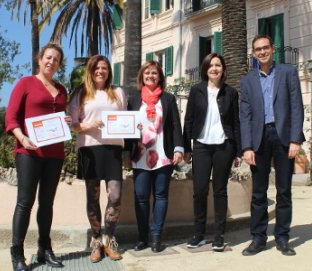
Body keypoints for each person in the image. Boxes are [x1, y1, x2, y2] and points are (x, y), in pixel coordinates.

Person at [239, 35, 305, 256]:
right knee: (258, 193)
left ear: (272, 49)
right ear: (253, 53)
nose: (262, 52)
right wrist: (246, 146)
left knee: (284, 191)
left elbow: (297, 107)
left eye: (265, 48)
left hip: (283, 137)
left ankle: (283, 238)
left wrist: (295, 140)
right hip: (258, 140)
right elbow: (245, 116)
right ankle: (258, 238)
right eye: (257, 49)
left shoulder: (288, 73)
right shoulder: (247, 80)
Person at [5, 42, 66, 271]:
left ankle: (44, 249)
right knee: (25, 203)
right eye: (48, 58)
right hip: (28, 152)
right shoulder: (26, 83)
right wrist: (22, 138)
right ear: (40, 60)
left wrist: (65, 121)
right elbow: (11, 117)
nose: (51, 62)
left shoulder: (61, 90)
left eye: (56, 60)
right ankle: (17, 253)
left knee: (47, 203)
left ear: (59, 65)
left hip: (55, 154)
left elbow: (59, 119)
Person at [68, 55, 126, 262]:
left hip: (113, 150)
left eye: (105, 68)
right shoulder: (80, 93)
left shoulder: (118, 92)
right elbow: (73, 125)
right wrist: (90, 126)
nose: (101, 71)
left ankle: (109, 240)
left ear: (109, 71)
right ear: (91, 71)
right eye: (97, 68)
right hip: (90, 150)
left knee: (116, 195)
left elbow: (125, 120)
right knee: (92, 198)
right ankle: (96, 242)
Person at [123, 60, 184, 253]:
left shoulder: (168, 99)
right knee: (141, 197)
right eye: (147, 73)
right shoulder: (133, 100)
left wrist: (178, 148)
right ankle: (142, 238)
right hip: (140, 155)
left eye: (155, 73)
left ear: (160, 77)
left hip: (163, 154)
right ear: (142, 76)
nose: (151, 76)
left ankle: (156, 236)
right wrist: (125, 152)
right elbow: (127, 129)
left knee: (161, 196)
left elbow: (175, 124)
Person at [183, 53, 241, 252]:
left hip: (224, 146)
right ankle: (198, 234)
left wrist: (239, 150)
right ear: (205, 69)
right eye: (211, 65)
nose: (215, 68)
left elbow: (235, 122)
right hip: (201, 146)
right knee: (199, 191)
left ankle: (218, 236)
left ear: (223, 69)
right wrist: (187, 147)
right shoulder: (196, 91)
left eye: (218, 65)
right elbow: (188, 119)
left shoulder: (231, 93)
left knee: (220, 190)